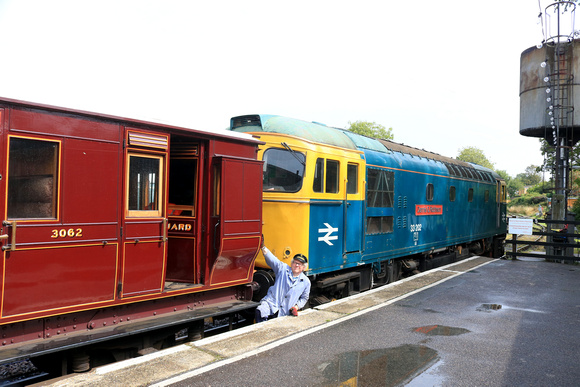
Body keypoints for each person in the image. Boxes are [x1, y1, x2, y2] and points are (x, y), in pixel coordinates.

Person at [255, 237, 311, 323]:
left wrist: (296, 307)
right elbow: (273, 260)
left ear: (303, 267)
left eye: (299, 264)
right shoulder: (283, 269)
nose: (296, 265)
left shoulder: (306, 282)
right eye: (295, 263)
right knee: (260, 311)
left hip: (285, 310)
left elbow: (304, 298)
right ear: (291, 263)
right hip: (271, 304)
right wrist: (263, 247)